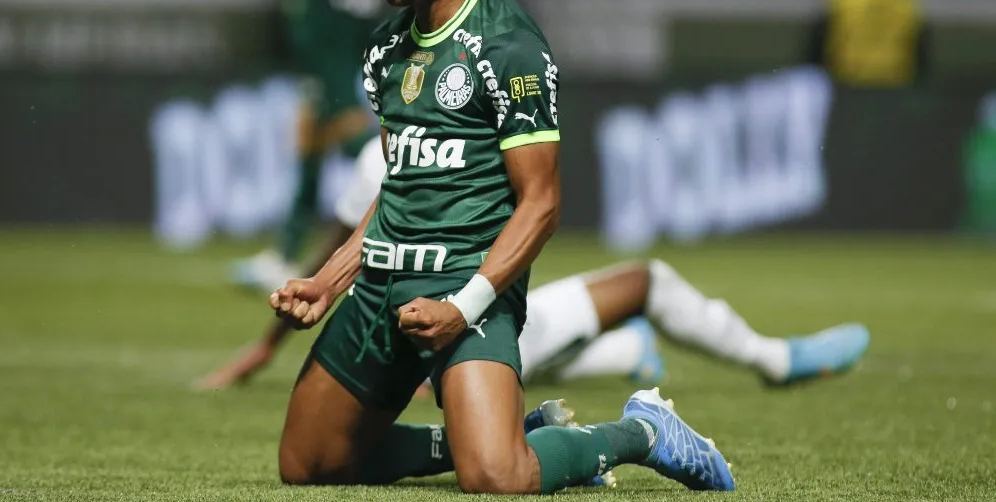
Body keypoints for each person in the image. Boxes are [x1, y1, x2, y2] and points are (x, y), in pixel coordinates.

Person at [265, 0, 735, 493]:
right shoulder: (385, 50)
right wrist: (330, 279)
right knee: (308, 466)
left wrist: (463, 308)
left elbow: (541, 203)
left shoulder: (508, 45)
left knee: (495, 476)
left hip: (466, 280)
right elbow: (401, 183)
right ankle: (491, 434)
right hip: (381, 284)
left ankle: (642, 431)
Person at [198, 137, 871, 391]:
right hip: (474, 333)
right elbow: (535, 212)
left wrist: (264, 347)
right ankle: (770, 360)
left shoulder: (382, 148)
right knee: (646, 280)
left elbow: (333, 255)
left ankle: (619, 352)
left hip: (413, 349)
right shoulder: (483, 124)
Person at [231, 0, 385, 286]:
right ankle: (288, 249)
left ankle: (410, 196)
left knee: (338, 111)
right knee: (314, 119)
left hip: (316, 3)